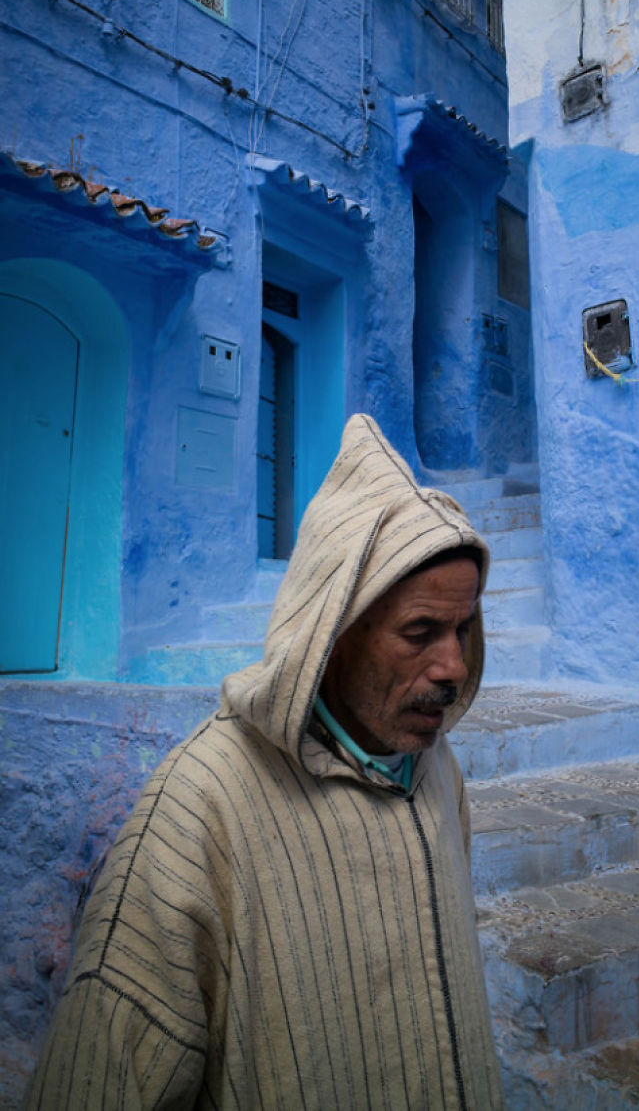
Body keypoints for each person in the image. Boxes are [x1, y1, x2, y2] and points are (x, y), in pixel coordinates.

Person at [25, 414, 506, 1110]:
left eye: (462, 629)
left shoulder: (435, 770)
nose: (454, 666)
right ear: (330, 636)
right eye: (420, 632)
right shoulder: (200, 807)